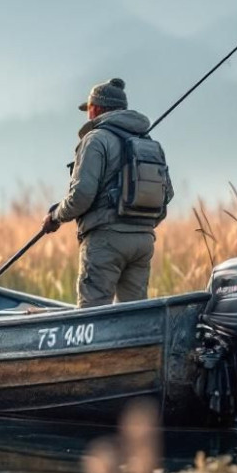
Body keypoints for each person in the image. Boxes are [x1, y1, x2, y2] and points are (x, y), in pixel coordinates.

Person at [41, 77, 172, 307]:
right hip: (143, 241)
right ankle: (138, 345)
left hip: (105, 241)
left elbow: (81, 196)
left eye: (89, 109)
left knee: (93, 314)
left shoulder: (95, 140)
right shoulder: (149, 143)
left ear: (96, 109)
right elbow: (166, 195)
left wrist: (55, 216)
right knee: (133, 315)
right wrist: (140, 225)